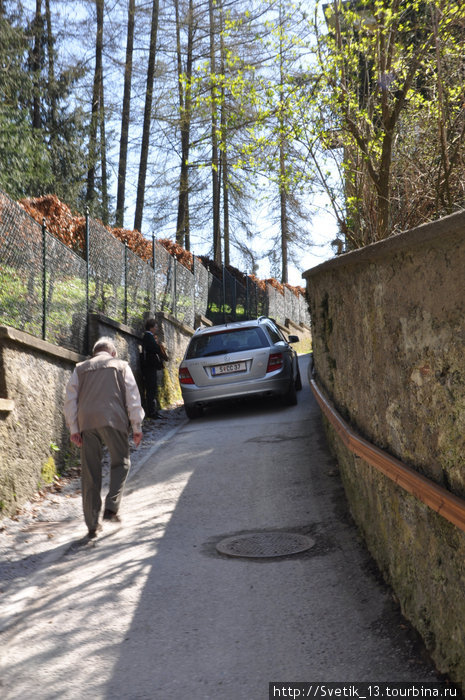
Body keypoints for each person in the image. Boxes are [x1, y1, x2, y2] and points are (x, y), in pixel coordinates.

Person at [64, 337, 144, 538]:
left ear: (94, 353)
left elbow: (70, 400)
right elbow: (133, 397)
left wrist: (74, 428)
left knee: (90, 473)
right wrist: (137, 426)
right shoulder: (121, 366)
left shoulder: (80, 369)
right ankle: (111, 506)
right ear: (113, 353)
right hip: (113, 419)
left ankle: (92, 524)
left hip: (87, 422)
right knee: (122, 462)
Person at [141, 318, 169, 419]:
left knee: (153, 388)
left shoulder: (150, 336)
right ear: (151, 327)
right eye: (156, 326)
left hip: (150, 366)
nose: (157, 328)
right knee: (151, 388)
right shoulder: (148, 337)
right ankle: (152, 412)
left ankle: (154, 411)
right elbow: (155, 348)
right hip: (149, 367)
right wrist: (159, 347)